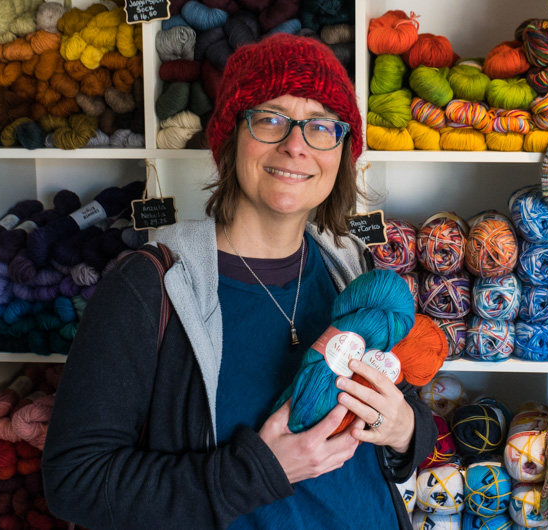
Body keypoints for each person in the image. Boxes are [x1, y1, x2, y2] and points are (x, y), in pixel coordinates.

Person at [42, 34, 437, 529]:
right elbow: (74, 481)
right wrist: (254, 472)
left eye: (320, 126)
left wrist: (402, 429)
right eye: (270, 119)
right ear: (230, 138)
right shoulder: (150, 285)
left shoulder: (353, 269)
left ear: (341, 152)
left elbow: (409, 428)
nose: (296, 145)